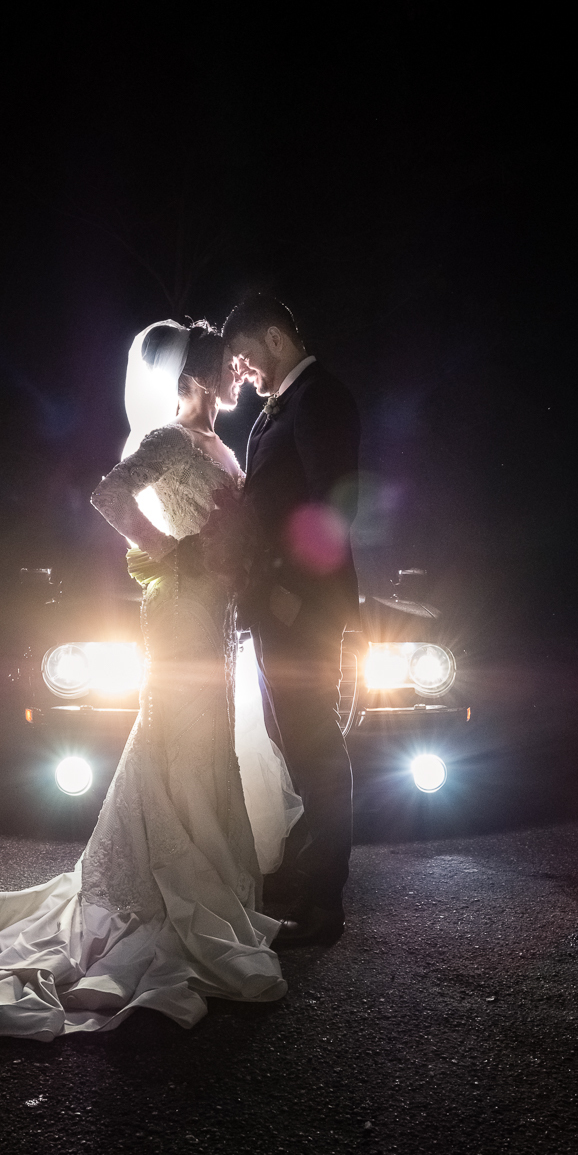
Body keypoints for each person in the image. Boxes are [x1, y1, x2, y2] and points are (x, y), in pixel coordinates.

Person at [0, 320, 299, 1039]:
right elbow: (108, 496)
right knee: (178, 733)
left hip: (218, 619)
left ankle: (211, 886)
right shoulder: (169, 440)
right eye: (227, 370)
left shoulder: (218, 445)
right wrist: (168, 552)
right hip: (177, 611)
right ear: (197, 379)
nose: (239, 375)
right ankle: (168, 894)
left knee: (208, 743)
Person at [222, 296, 361, 946]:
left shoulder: (321, 398)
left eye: (247, 356)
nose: (244, 371)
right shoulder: (285, 405)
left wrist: (290, 598)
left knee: (317, 755)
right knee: (297, 751)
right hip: (274, 610)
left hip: (301, 613)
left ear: (276, 338)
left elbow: (335, 506)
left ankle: (324, 905)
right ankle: (305, 884)